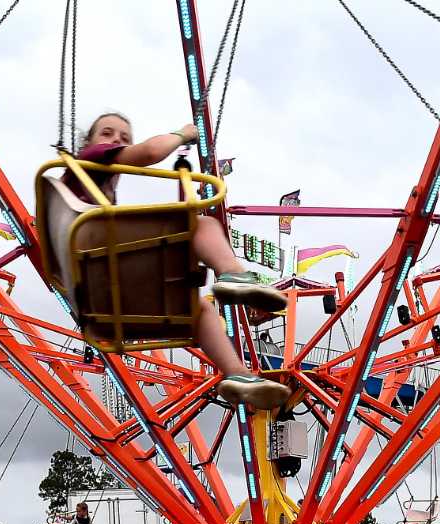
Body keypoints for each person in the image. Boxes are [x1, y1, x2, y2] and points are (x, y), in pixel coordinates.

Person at [67, 113, 290, 410]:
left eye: (124, 138)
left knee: (200, 310)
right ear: (90, 144)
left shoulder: (95, 195)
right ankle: (233, 274)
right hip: (101, 274)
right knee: (203, 225)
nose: (116, 141)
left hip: (106, 301)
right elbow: (150, 152)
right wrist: (184, 134)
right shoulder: (90, 158)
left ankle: (239, 375)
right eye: (108, 133)